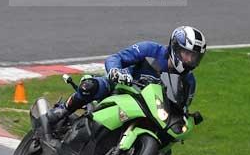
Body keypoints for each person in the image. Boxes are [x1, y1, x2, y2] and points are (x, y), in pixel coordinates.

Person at [47, 25, 207, 123]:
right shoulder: (150, 50)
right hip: (120, 87)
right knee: (90, 86)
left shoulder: (189, 81)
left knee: (164, 153)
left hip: (148, 110)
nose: (189, 60)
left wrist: (186, 116)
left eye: (194, 57)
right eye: (186, 54)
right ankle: (64, 109)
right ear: (175, 47)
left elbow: (182, 106)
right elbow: (116, 58)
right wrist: (116, 71)